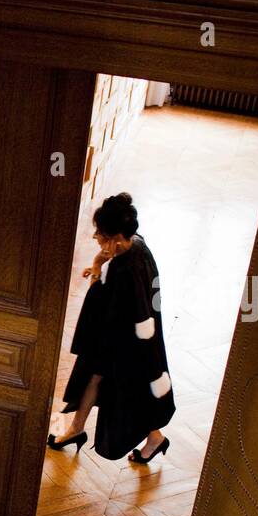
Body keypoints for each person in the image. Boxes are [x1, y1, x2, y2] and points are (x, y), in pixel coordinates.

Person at [47, 192, 175, 463]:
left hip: (122, 344)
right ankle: (77, 429)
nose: (96, 239)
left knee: (123, 390)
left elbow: (97, 306)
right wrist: (103, 262)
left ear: (116, 240)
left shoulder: (122, 272)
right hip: (136, 339)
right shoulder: (139, 246)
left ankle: (153, 438)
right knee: (100, 380)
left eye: (101, 236)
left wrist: (96, 267)